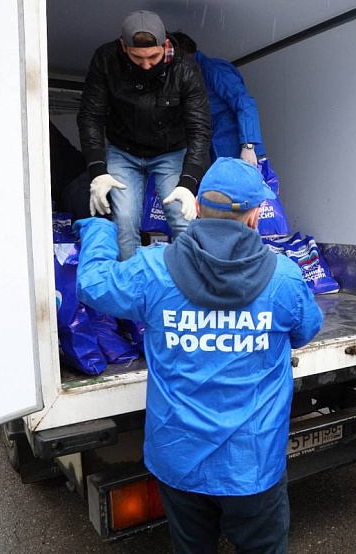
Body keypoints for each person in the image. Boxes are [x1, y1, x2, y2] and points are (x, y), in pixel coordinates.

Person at [74, 157, 323, 553]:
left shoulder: (153, 271)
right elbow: (306, 330)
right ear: (256, 216)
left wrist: (101, 227)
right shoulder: (284, 278)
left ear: (197, 207)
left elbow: (92, 283)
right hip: (252, 465)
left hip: (179, 460)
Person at [78, 10, 211, 261]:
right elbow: (90, 116)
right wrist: (97, 169)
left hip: (170, 151)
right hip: (123, 150)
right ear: (123, 46)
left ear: (165, 44)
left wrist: (189, 181)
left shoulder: (185, 68)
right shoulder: (106, 60)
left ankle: (190, 287)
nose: (147, 64)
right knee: (125, 220)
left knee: (181, 217)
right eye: (138, 57)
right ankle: (131, 289)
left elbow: (199, 128)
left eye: (153, 56)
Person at [171, 31, 266, 166]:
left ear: (183, 55)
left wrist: (248, 146)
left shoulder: (213, 69)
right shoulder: (187, 77)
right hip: (218, 155)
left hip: (239, 152)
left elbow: (244, 103)